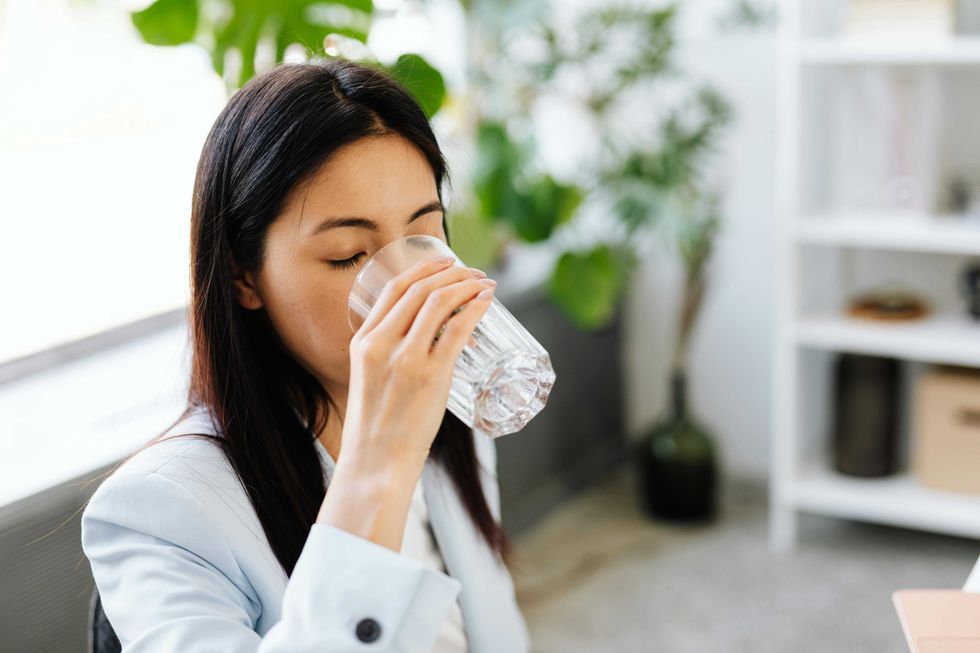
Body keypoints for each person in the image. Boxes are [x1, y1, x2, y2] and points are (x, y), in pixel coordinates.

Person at [80, 56, 531, 652]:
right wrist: (380, 461)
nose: (406, 285)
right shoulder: (160, 512)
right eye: (348, 254)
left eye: (425, 232)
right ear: (244, 278)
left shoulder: (453, 416)